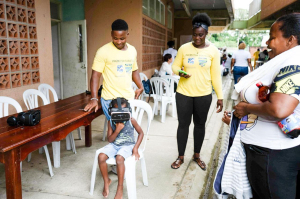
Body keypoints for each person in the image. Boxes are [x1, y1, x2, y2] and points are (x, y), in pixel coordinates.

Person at [233, 13, 300, 199]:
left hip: (273, 156)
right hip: (266, 152)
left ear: (290, 40)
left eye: (272, 37)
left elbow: (278, 109)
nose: (268, 43)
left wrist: (246, 108)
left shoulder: (294, 62)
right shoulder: (284, 61)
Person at [171, 13, 223, 170]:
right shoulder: (184, 48)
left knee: (200, 125)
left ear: (206, 33)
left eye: (200, 35)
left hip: (204, 95)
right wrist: (180, 72)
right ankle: (180, 157)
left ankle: (197, 156)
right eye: (194, 34)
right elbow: (174, 66)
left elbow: (216, 76)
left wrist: (220, 97)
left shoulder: (213, 51)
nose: (197, 38)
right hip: (184, 93)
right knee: (183, 125)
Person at [84, 19, 143, 121]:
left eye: (122, 38)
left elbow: (134, 70)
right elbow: (95, 76)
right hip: (110, 99)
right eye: (115, 38)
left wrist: (140, 86)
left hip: (128, 97)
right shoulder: (103, 51)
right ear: (111, 34)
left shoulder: (132, 50)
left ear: (127, 34)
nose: (119, 42)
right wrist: (94, 99)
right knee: (120, 131)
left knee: (124, 132)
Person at [97, 98, 144, 199]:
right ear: (111, 112)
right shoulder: (111, 121)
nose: (120, 114)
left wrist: (135, 148)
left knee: (119, 158)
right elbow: (110, 140)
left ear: (128, 110)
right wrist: (117, 130)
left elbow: (141, 133)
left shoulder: (131, 120)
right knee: (101, 156)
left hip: (128, 145)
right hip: (114, 145)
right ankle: (106, 181)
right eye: (116, 112)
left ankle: (120, 187)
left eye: (123, 111)